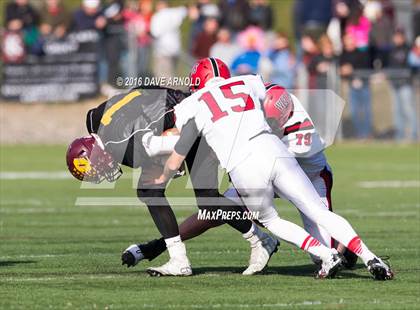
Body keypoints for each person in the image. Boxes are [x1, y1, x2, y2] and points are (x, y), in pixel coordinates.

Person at [154, 57, 394, 280]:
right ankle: (371, 257)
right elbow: (278, 96)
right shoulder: (247, 81)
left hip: (244, 166)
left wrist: (163, 169)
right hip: (274, 149)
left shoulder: (191, 104)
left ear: (199, 83)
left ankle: (327, 255)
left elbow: (177, 143)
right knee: (318, 211)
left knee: (272, 221)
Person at [128, 83, 359, 271]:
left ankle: (346, 247)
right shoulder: (237, 94)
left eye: (197, 86)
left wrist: (156, 145)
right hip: (263, 164)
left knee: (324, 250)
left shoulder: (260, 95)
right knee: (215, 209)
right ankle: (157, 246)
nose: (195, 93)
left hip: (302, 167)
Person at [66, 86, 277, 277]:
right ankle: (255, 241)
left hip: (191, 120)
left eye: (96, 168)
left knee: (160, 193)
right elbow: (139, 93)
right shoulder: (94, 119)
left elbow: (169, 143)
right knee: (203, 200)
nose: (102, 172)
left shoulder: (120, 144)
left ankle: (185, 258)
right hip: (176, 103)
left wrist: (173, 163)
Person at [339, 33, 372, 139]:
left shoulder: (362, 53)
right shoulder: (343, 55)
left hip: (363, 85)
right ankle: (359, 134)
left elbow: (366, 67)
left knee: (366, 110)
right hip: (351, 86)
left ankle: (367, 133)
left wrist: (352, 70)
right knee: (355, 111)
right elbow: (341, 69)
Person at [389, 29, 418, 141]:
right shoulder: (392, 51)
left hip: (405, 84)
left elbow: (413, 64)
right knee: (397, 111)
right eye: (395, 37)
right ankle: (399, 135)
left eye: (399, 37)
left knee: (408, 110)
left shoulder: (409, 49)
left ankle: (414, 135)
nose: (397, 39)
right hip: (394, 84)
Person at [150, 0, 187, 78]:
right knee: (172, 75)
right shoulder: (174, 12)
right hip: (175, 49)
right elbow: (184, 10)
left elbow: (154, 33)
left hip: (163, 51)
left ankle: (168, 90)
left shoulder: (157, 16)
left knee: (163, 77)